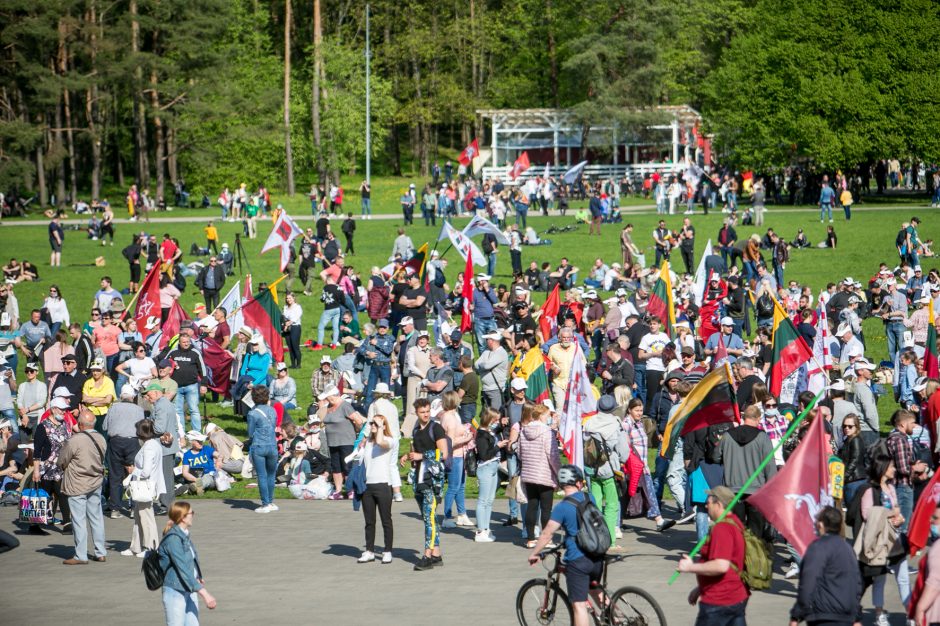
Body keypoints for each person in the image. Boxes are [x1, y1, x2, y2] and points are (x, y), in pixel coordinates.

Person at [527, 465, 605, 626]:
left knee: (579, 605)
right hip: (597, 555)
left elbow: (547, 534)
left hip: (578, 560)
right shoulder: (589, 497)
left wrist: (535, 553)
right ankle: (617, 619)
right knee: (595, 590)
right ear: (578, 483)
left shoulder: (561, 508)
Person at [677, 485, 749, 626]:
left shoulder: (722, 528)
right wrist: (700, 588)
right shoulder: (735, 522)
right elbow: (731, 561)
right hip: (735, 596)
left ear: (719, 504)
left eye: (708, 502)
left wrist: (690, 567)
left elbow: (721, 565)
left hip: (719, 601)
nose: (706, 505)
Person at [789, 506, 863, 626]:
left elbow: (808, 582)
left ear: (821, 524)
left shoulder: (818, 547)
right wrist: (856, 617)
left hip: (823, 615)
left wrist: (796, 615)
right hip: (845, 616)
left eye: (817, 520)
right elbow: (856, 584)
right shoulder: (848, 549)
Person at [401, 398, 448, 571]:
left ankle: (427, 555)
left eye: (428, 411)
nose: (426, 414)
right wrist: (408, 456)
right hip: (419, 478)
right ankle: (436, 554)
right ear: (416, 412)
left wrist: (422, 456)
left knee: (429, 519)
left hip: (432, 480)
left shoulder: (436, 428)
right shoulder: (416, 429)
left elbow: (443, 453)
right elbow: (416, 451)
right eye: (422, 412)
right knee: (429, 518)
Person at [57, 410, 107, 565]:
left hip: (77, 483)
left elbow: (61, 461)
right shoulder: (101, 438)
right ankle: (100, 552)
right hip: (95, 481)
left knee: (79, 520)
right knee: (96, 517)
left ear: (80, 425)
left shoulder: (75, 440)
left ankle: (81, 555)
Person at [158, 502, 218, 625]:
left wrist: (197, 577)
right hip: (175, 591)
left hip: (189, 588)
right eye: (191, 513)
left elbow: (191, 560)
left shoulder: (183, 535)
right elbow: (182, 568)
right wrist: (205, 594)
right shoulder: (173, 539)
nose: (193, 516)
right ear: (183, 517)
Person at [519, 403, 560, 548]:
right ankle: (546, 539)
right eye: (548, 415)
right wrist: (558, 472)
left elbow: (520, 453)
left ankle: (530, 538)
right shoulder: (547, 432)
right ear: (542, 415)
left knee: (532, 505)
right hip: (544, 474)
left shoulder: (524, 430)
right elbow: (553, 455)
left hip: (529, 473)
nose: (549, 418)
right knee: (546, 508)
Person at [357, 412, 396, 564]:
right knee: (369, 521)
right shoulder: (367, 443)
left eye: (376, 424)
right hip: (368, 485)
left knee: (386, 520)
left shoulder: (389, 440)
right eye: (372, 423)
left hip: (383, 484)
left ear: (384, 426)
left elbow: (380, 441)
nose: (373, 425)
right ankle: (369, 550)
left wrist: (380, 427)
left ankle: (387, 550)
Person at [123, 419, 165, 557]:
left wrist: (133, 471)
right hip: (146, 485)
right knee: (139, 517)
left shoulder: (149, 447)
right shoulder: (154, 444)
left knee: (146, 517)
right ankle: (136, 546)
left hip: (146, 486)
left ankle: (151, 547)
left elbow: (146, 471)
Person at [102, 384, 145, 517]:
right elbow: (141, 428)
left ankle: (115, 508)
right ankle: (134, 507)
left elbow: (104, 426)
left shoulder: (113, 407)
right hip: (132, 442)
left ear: (121, 396)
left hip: (116, 441)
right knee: (134, 474)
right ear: (132, 397)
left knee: (115, 475)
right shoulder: (139, 410)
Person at [318, 385, 365, 498]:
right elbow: (321, 419)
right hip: (332, 442)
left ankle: (350, 490)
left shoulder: (345, 406)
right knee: (336, 467)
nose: (327, 400)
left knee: (347, 465)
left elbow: (358, 420)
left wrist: (359, 433)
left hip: (346, 441)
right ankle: (338, 491)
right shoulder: (328, 407)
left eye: (328, 397)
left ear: (333, 396)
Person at [144, 382, 179, 513]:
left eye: (149, 394)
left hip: (164, 448)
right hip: (169, 446)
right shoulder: (168, 404)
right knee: (167, 476)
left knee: (164, 477)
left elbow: (159, 428)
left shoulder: (160, 406)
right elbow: (174, 426)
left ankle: (166, 505)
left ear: (157, 393)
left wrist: (147, 424)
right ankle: (168, 504)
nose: (147, 397)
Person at [474, 408, 507, 542]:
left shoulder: (489, 431)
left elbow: (494, 432)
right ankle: (480, 531)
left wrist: (501, 425)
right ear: (489, 419)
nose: (496, 422)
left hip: (493, 467)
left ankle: (486, 528)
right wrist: (498, 446)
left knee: (490, 500)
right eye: (495, 420)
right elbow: (484, 455)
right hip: (485, 468)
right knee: (483, 500)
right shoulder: (481, 434)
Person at [247, 386, 278, 513]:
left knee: (262, 475)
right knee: (271, 475)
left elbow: (250, 433)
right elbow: (274, 425)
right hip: (272, 445)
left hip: (259, 446)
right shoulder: (273, 410)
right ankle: (270, 502)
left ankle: (265, 504)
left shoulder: (252, 413)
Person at [913, 504, 940, 626]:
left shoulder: (938, 548)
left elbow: (934, 582)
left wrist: (920, 608)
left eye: (935, 518)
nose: (931, 520)